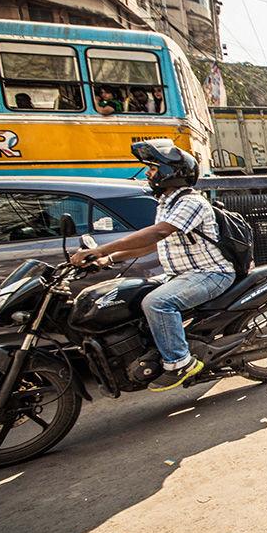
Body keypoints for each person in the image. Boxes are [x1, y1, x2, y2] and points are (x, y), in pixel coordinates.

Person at [70, 139, 235, 391]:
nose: (149, 173)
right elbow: (152, 245)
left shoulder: (191, 202)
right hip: (179, 275)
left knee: (157, 302)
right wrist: (109, 259)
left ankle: (180, 362)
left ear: (170, 173)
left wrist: (102, 248)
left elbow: (157, 234)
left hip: (210, 274)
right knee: (131, 295)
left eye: (154, 168)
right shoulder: (167, 204)